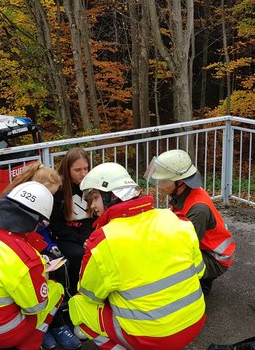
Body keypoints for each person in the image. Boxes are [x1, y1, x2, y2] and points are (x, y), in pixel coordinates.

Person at [68, 162, 206, 350]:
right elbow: (198, 271)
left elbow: (90, 295)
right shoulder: (175, 218)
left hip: (151, 338)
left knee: (78, 305)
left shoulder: (105, 239)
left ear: (112, 196)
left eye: (94, 198)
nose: (92, 206)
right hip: (194, 321)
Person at [0, 181, 79, 350]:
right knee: (56, 291)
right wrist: (43, 276)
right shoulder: (26, 260)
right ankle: (33, 341)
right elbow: (35, 307)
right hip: (2, 334)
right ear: (36, 221)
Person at [0, 163, 81, 350]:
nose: (50, 199)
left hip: (33, 245)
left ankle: (53, 324)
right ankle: (48, 328)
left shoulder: (36, 200)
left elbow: (42, 232)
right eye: (49, 194)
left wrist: (50, 247)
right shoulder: (16, 201)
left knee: (59, 271)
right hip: (18, 250)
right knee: (40, 281)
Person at [145, 149, 236, 295]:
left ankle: (201, 284)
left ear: (180, 182)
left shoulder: (198, 209)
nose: (159, 185)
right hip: (206, 249)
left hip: (215, 258)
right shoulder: (185, 193)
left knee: (169, 260)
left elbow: (185, 248)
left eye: (164, 181)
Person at [50, 148, 95, 297]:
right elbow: (56, 226)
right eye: (77, 170)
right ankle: (75, 293)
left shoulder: (92, 185)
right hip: (65, 236)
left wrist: (89, 238)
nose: (83, 174)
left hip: (86, 233)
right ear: (67, 169)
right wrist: (82, 240)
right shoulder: (59, 190)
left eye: (86, 168)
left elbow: (93, 218)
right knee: (79, 255)